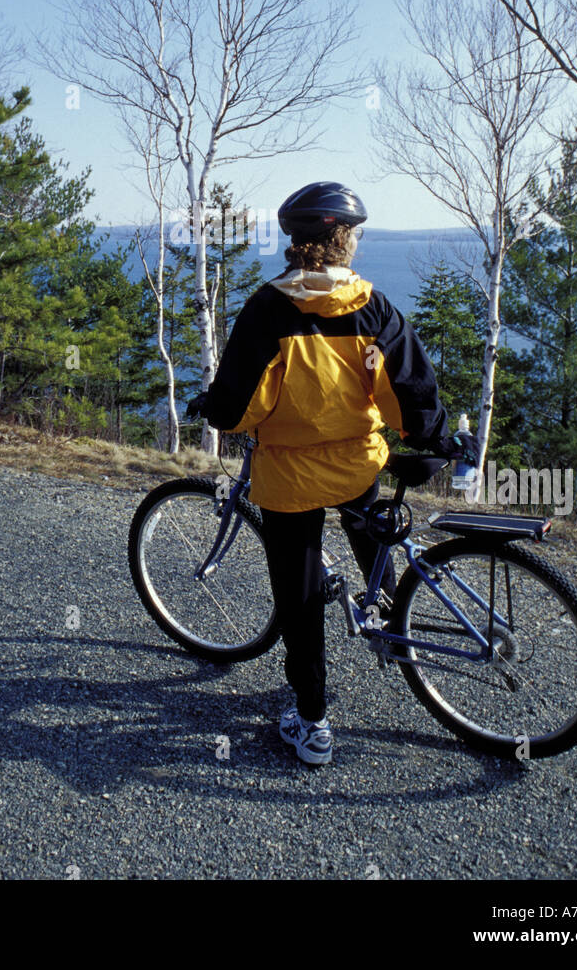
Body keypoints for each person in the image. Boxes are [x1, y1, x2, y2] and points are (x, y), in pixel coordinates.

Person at [186, 181, 476, 766]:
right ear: (342, 241)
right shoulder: (373, 307)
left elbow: (242, 404)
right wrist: (439, 440)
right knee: (367, 528)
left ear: (298, 241)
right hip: (355, 466)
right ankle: (392, 615)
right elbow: (408, 393)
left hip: (290, 478)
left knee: (299, 599)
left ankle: (313, 722)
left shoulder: (269, 308)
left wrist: (215, 408)